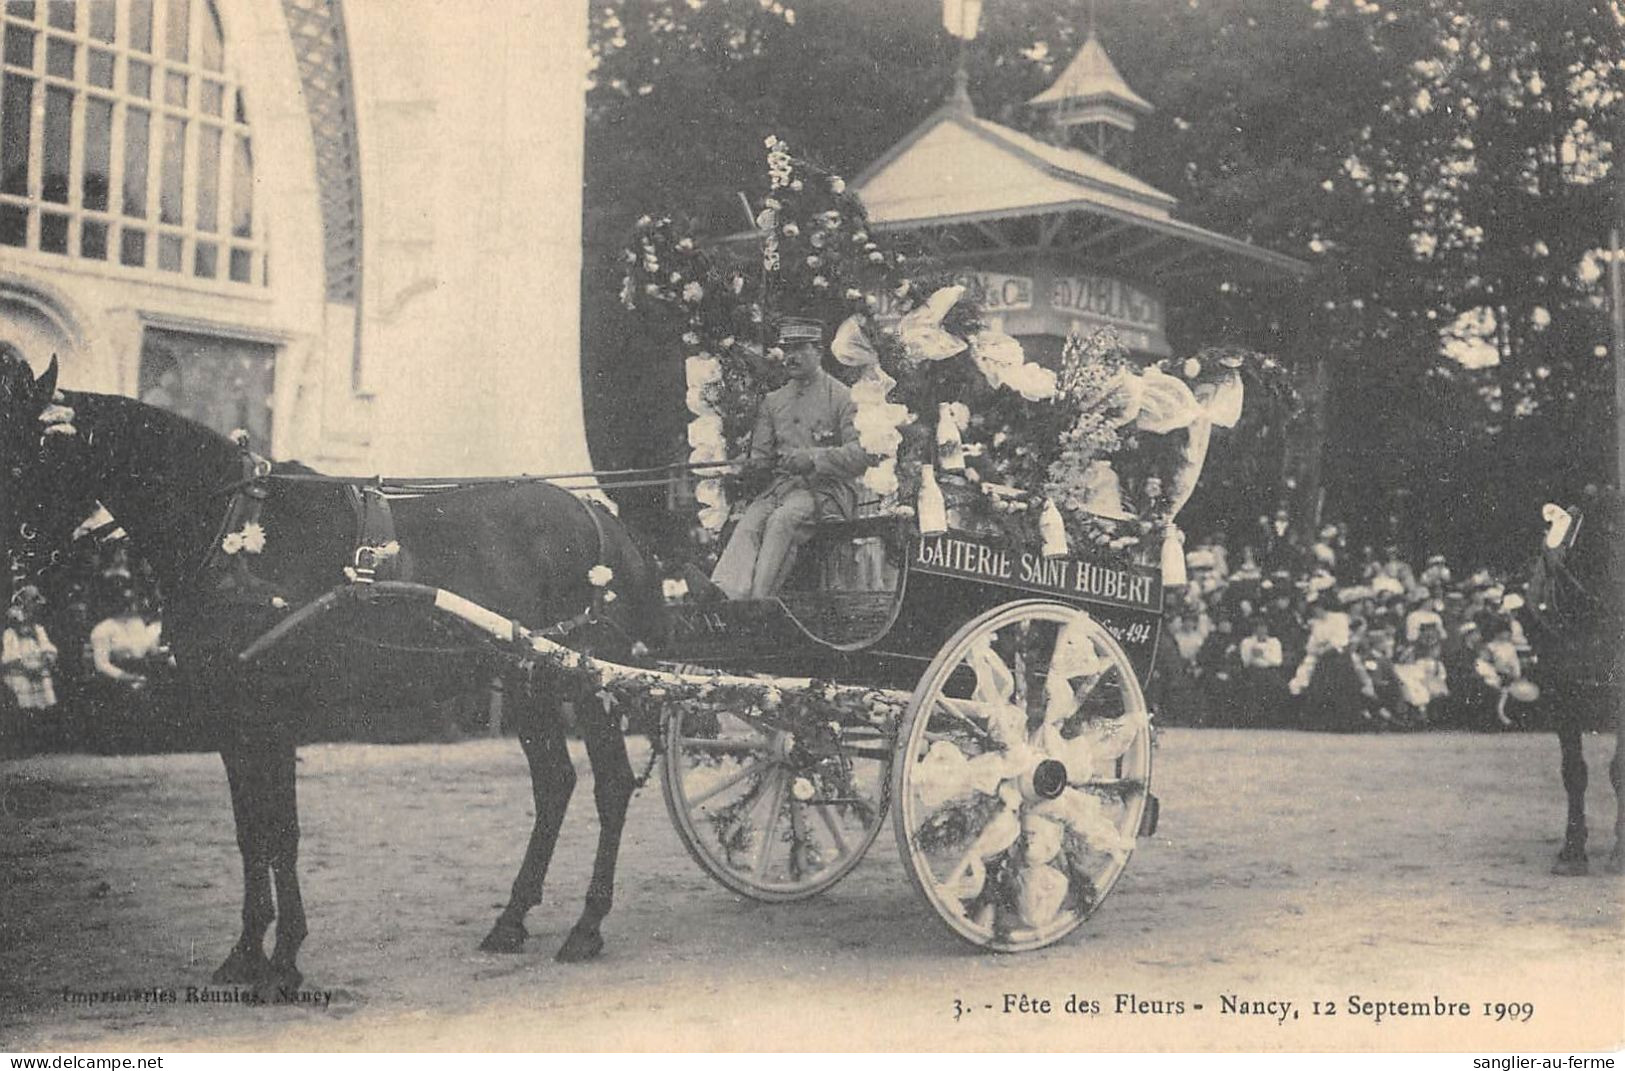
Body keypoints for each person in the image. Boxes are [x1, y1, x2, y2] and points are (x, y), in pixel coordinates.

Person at [710, 317, 868, 600]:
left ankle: (758, 603)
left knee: (783, 520)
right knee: (750, 521)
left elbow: (859, 454)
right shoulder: (773, 401)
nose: (790, 357)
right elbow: (760, 456)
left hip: (827, 492)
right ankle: (725, 596)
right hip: (780, 490)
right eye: (787, 349)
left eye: (799, 349)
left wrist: (814, 458)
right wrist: (748, 468)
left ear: (818, 351)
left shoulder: (844, 397)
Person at [3, 591, 59, 751]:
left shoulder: (38, 629)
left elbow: (46, 646)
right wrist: (25, 668)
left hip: (38, 668)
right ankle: (23, 740)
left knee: (44, 690)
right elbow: (10, 656)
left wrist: (47, 657)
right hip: (19, 670)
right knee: (22, 692)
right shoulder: (11, 633)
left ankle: (40, 739)